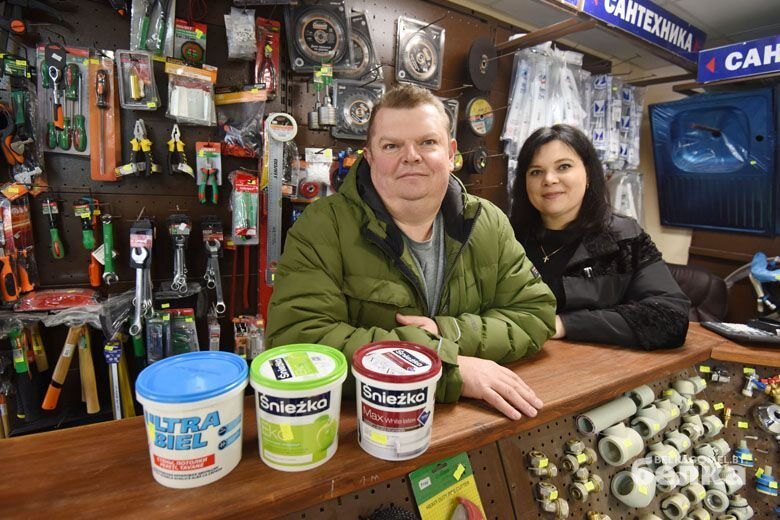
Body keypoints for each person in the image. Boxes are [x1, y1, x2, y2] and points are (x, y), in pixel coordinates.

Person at [266, 84, 556, 420]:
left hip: (473, 422)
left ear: (451, 153)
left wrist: (447, 332)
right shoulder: (322, 227)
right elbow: (296, 342)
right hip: (368, 425)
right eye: (392, 145)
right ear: (370, 156)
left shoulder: (487, 222)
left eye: (427, 142)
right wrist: (447, 366)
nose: (411, 156)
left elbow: (535, 313)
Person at [510, 124, 690, 349]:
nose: (549, 179)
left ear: (588, 174)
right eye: (536, 171)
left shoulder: (625, 239)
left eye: (563, 167)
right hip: (513, 362)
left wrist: (565, 324)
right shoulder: (506, 238)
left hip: (599, 365)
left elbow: (671, 317)